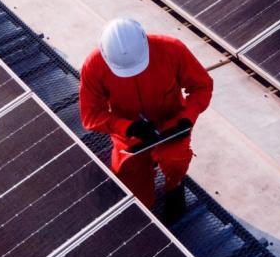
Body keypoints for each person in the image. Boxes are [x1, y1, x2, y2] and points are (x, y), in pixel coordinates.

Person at [79, 17, 213, 223]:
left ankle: (174, 186)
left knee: (175, 158)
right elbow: (90, 115)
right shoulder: (94, 66)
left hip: (171, 125)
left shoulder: (172, 50)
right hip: (130, 135)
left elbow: (201, 86)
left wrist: (187, 118)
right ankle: (144, 213)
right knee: (131, 183)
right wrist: (128, 127)